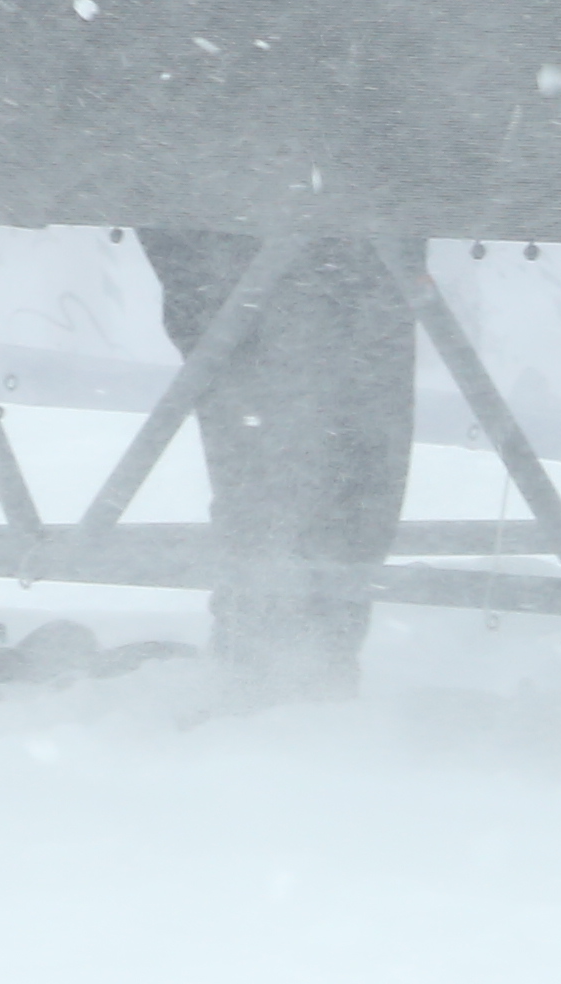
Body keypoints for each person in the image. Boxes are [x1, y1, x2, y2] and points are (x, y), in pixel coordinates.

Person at [137, 228, 420, 701]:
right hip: (316, 217)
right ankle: (286, 651)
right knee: (322, 432)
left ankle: (277, 650)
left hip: (246, 209)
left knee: (271, 426)